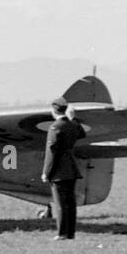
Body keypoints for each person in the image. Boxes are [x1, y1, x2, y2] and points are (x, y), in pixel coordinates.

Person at [42, 97, 86, 240]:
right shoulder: (72, 125)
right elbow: (82, 133)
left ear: (54, 110)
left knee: (60, 203)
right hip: (71, 168)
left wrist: (46, 172)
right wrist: (74, 119)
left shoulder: (55, 127)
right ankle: (71, 233)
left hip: (59, 170)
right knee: (70, 203)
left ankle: (61, 233)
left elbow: (51, 152)